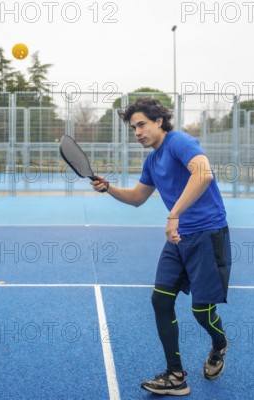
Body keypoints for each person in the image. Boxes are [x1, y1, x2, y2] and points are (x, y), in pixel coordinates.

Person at [90, 97, 231, 396]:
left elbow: (204, 173)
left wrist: (174, 214)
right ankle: (175, 375)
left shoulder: (179, 142)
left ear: (158, 121)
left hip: (206, 234)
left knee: (201, 311)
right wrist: (109, 187)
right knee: (160, 301)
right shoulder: (152, 161)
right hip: (178, 238)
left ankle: (219, 343)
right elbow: (138, 197)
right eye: (133, 128)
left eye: (141, 124)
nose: (137, 131)